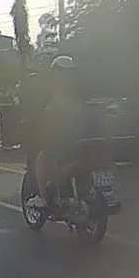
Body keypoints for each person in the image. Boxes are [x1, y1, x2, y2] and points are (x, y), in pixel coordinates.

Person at [31, 55, 85, 209]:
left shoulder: (57, 92)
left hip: (66, 142)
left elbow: (49, 117)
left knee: (41, 157)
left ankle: (43, 197)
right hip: (85, 139)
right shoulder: (80, 90)